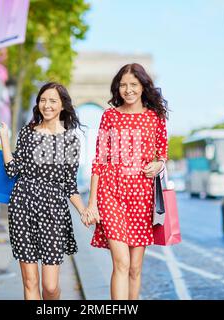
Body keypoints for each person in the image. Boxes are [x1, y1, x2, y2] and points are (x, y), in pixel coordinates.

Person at [0, 82, 91, 300]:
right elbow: (12, 170)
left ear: (63, 105)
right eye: (43, 100)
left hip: (53, 212)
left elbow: (69, 184)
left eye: (53, 101)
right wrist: (4, 137)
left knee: (50, 286)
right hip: (22, 208)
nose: (47, 105)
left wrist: (83, 210)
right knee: (30, 282)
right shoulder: (27, 133)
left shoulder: (71, 140)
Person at [84, 63, 169, 300]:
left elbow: (162, 153)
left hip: (142, 197)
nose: (128, 90)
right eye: (123, 85)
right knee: (121, 262)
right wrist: (92, 203)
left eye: (133, 84)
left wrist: (159, 163)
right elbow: (99, 160)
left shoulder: (155, 118)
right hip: (111, 194)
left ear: (143, 86)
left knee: (135, 267)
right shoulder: (109, 116)